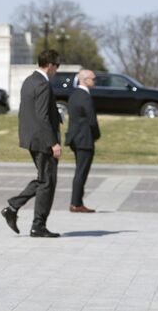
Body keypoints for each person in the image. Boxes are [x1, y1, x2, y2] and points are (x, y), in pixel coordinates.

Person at [1, 49, 62, 238]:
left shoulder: (29, 80)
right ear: (50, 65)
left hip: (32, 138)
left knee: (44, 179)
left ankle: (14, 208)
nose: (56, 70)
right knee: (47, 182)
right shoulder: (43, 84)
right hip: (43, 140)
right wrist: (53, 143)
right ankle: (37, 225)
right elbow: (43, 116)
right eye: (57, 66)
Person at [65, 69, 100, 213]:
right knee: (81, 172)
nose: (95, 81)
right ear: (85, 80)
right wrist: (96, 135)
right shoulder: (85, 96)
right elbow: (92, 120)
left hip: (75, 138)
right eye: (93, 78)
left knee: (79, 171)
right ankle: (76, 203)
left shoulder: (74, 95)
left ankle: (76, 202)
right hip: (84, 139)